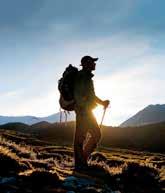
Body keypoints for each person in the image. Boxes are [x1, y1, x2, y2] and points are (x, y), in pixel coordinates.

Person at [73, 55, 110, 171]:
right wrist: (83, 108)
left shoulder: (87, 78)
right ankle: (80, 164)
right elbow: (78, 95)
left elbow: (91, 96)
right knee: (85, 137)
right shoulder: (82, 77)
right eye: (93, 62)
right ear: (87, 63)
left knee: (88, 136)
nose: (95, 64)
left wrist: (102, 102)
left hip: (86, 111)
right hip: (84, 112)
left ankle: (81, 162)